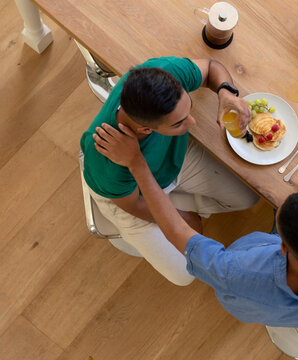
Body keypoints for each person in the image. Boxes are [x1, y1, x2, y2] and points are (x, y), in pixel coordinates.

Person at [91, 123, 298, 329]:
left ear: (280, 244)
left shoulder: (231, 268)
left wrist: (136, 161)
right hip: (252, 311)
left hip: (239, 296)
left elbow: (177, 232)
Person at [80, 57, 259, 286]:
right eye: (179, 123)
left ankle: (175, 200)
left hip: (171, 158)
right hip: (131, 195)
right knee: (184, 275)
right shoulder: (108, 164)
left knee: (248, 197)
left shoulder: (163, 76)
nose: (192, 123)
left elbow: (211, 67)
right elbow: (134, 206)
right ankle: (177, 206)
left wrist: (225, 92)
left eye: (188, 109)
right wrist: (179, 220)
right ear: (145, 129)